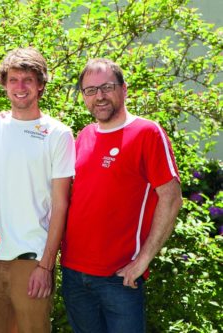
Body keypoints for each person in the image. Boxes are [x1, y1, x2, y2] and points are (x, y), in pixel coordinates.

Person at [60, 58, 183, 333]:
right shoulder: (84, 136)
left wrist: (143, 260)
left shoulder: (147, 132)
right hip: (73, 274)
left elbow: (172, 197)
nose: (99, 96)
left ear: (124, 89)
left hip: (119, 277)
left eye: (106, 87)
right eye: (90, 90)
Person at [0, 48, 76, 332]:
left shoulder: (58, 134)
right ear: (4, 84)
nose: (20, 87)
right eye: (13, 80)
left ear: (40, 84)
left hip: (31, 261)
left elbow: (60, 204)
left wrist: (46, 266)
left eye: (27, 80)